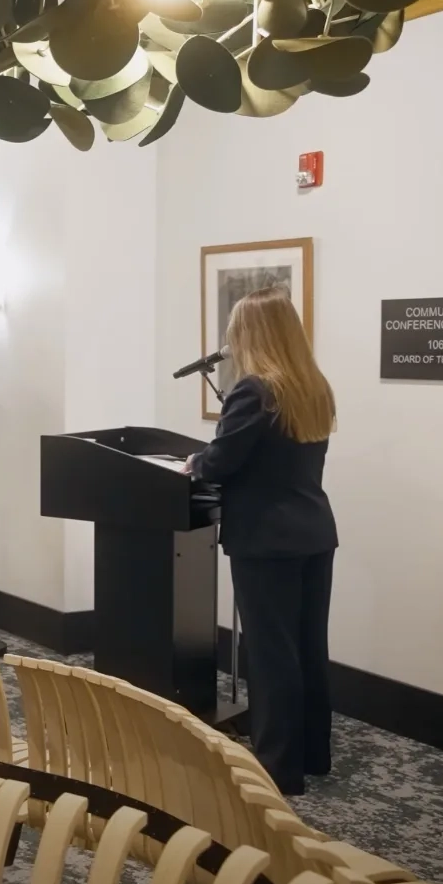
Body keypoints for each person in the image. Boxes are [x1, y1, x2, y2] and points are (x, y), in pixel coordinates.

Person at [187, 286, 337, 797]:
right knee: (309, 647)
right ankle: (314, 753)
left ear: (252, 335)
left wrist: (196, 463)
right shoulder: (313, 386)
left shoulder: (255, 390)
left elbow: (223, 460)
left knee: (272, 654)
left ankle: (278, 768)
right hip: (314, 531)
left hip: (266, 539)